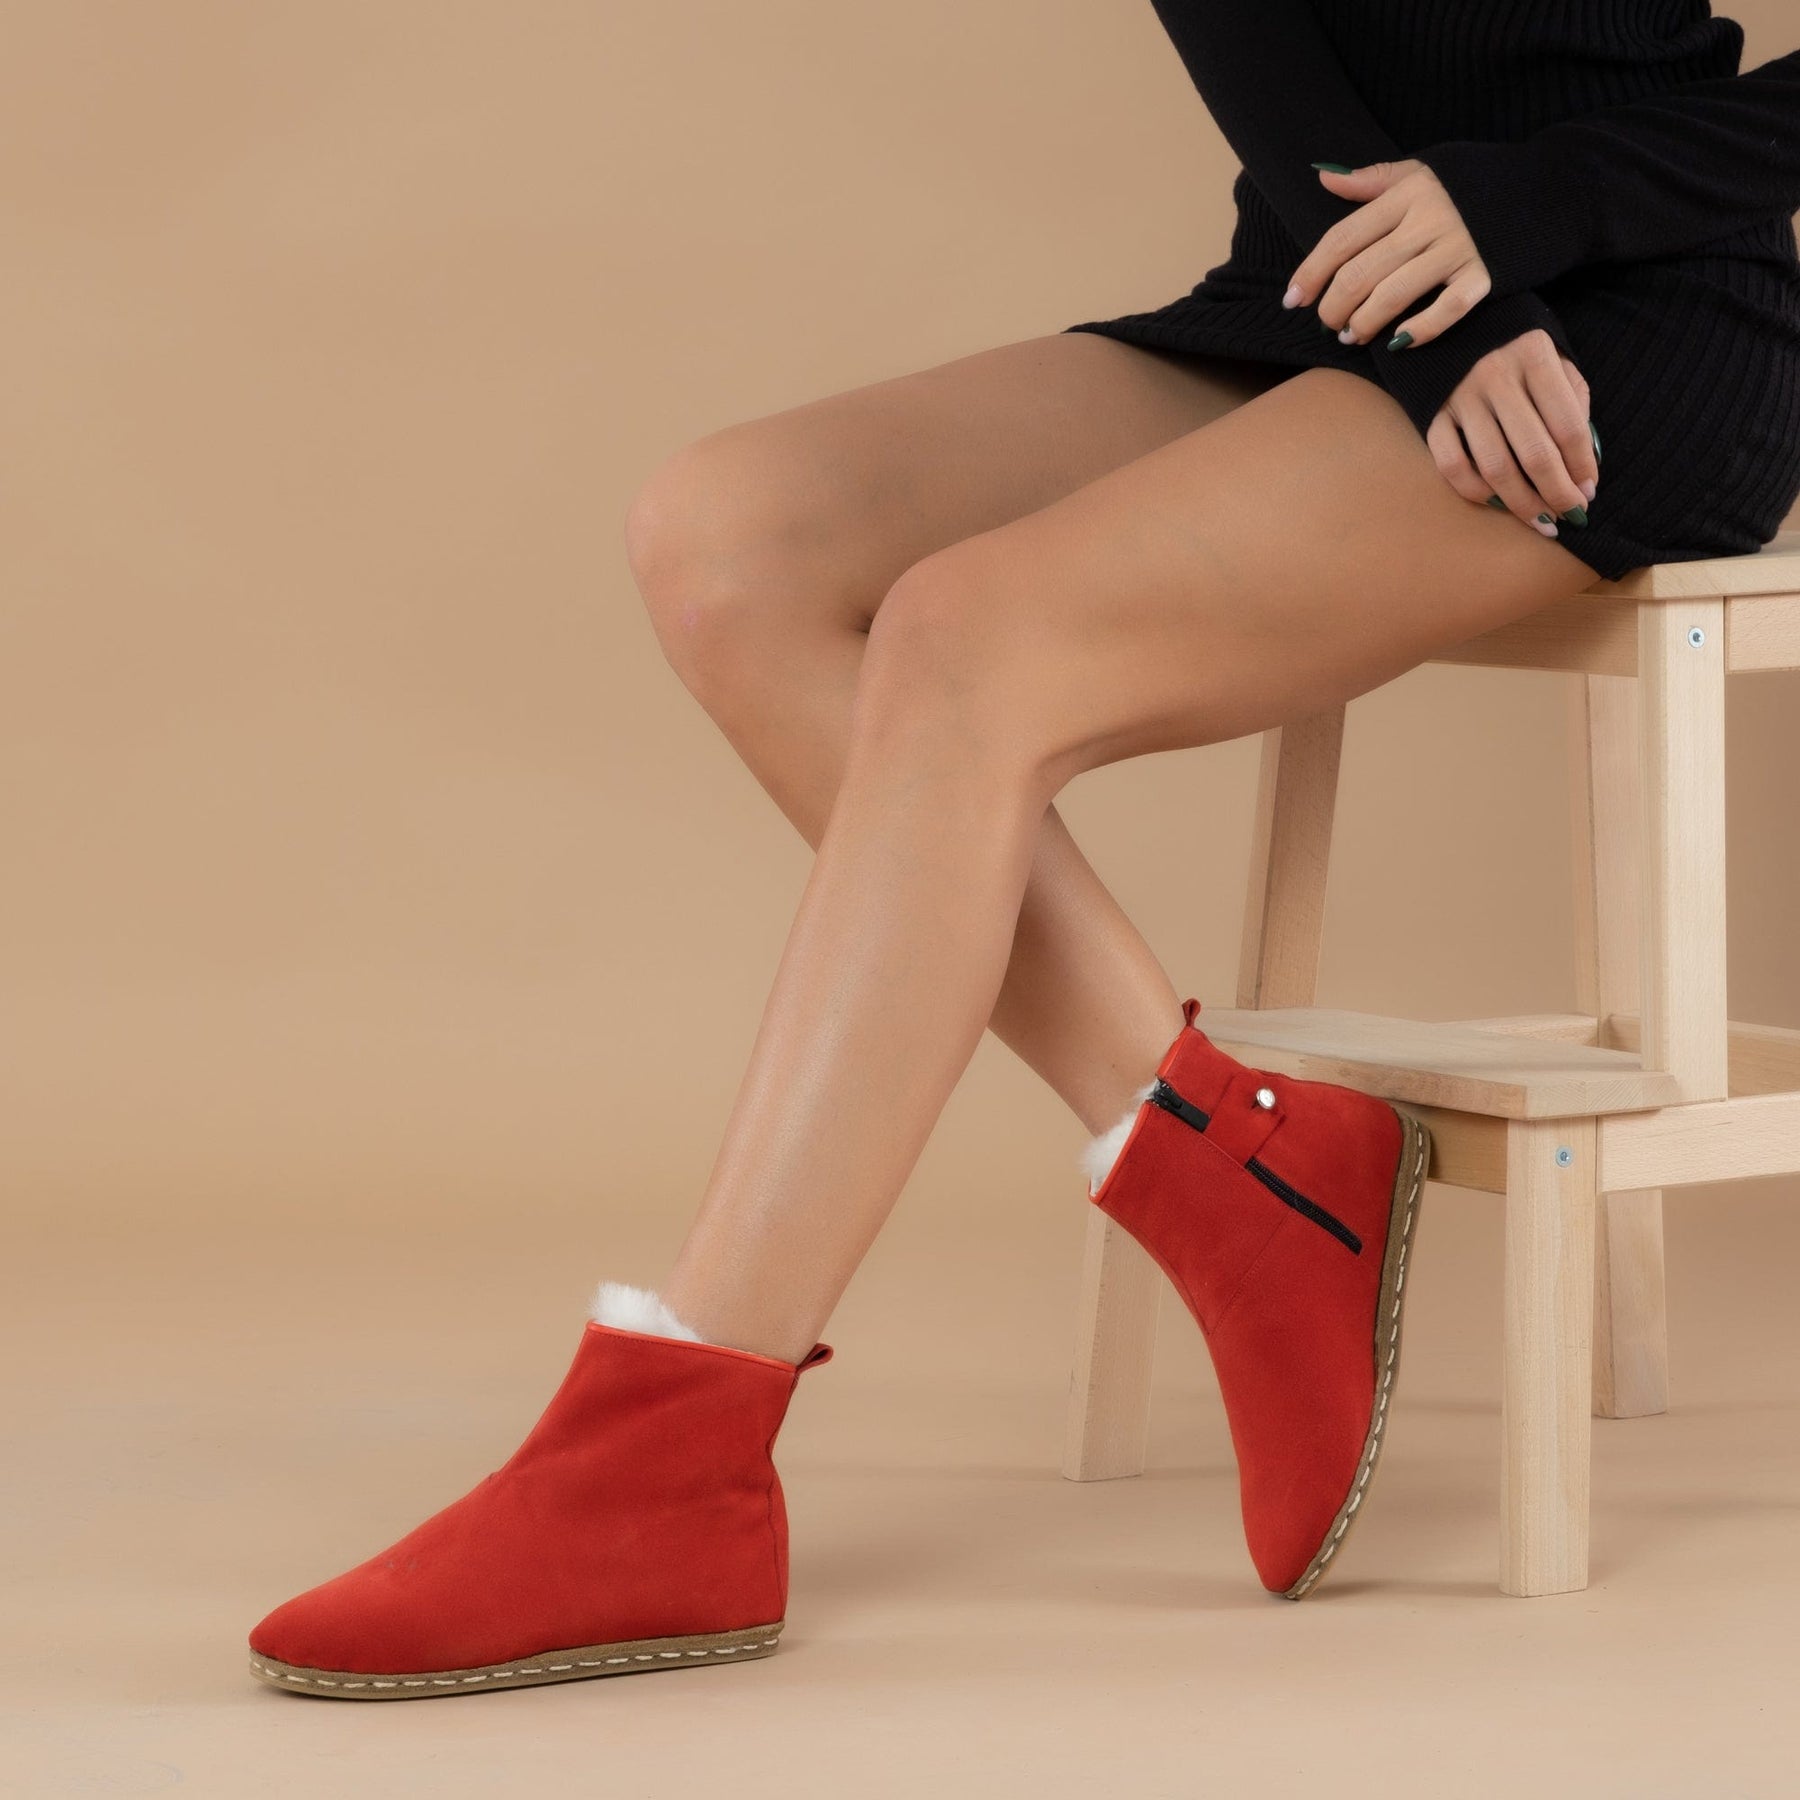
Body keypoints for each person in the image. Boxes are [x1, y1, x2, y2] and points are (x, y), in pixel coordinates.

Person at [245, 0, 1800, 1698]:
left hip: (1632, 320)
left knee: (967, 641)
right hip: (1338, 284)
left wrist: (1532, 208)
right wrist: (1439, 305)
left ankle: (670, 1453)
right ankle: (1238, 1168)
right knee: (723, 541)